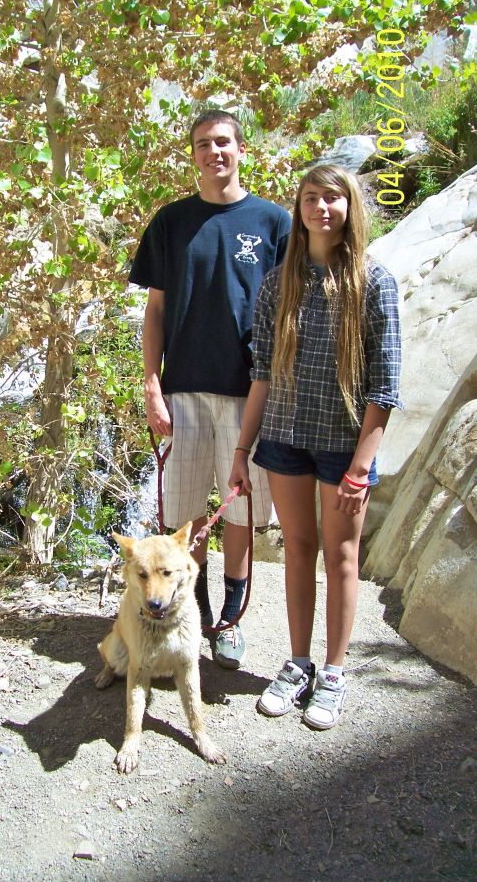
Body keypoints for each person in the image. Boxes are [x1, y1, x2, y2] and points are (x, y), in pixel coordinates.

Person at [229, 163, 402, 728]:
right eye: (310, 198)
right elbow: (261, 373)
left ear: (349, 207)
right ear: (298, 208)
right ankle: (298, 661)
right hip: (283, 438)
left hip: (342, 447)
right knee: (298, 549)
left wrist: (361, 467)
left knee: (342, 555)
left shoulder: (375, 283)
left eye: (332, 198)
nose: (320, 208)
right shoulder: (280, 282)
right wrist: (241, 449)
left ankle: (332, 672)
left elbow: (385, 385)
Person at [130, 109, 292, 669]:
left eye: (223, 142)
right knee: (183, 513)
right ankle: (191, 614)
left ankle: (229, 620)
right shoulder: (171, 223)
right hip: (184, 392)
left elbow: (293, 311)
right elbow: (154, 311)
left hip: (253, 393)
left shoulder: (275, 223)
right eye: (203, 144)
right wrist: (151, 382)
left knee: (240, 511)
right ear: (193, 153)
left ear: (241, 149)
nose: (213, 152)